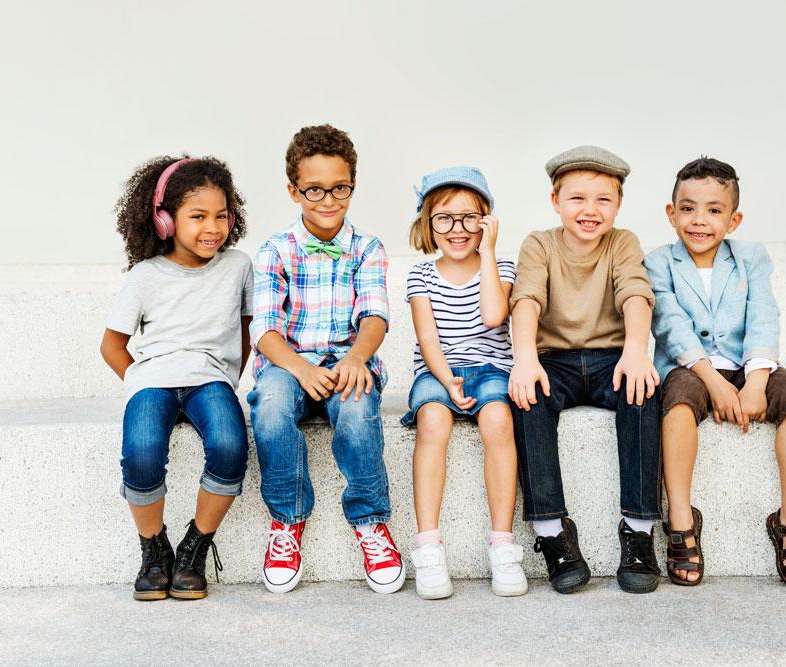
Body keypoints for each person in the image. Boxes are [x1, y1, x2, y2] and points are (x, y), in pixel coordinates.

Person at [645, 156, 786, 587]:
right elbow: (670, 325)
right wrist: (715, 383)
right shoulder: (659, 262)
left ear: (734, 219)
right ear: (671, 213)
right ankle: (682, 521)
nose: (699, 220)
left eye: (714, 210)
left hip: (747, 364)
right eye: (687, 209)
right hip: (690, 367)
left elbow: (763, 315)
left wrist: (757, 380)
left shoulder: (751, 257)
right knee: (678, 406)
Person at [248, 124, 404, 594]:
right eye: (314, 189)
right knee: (271, 407)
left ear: (352, 186)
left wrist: (357, 358)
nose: (328, 200)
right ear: (293, 190)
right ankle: (287, 520)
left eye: (340, 188)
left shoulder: (367, 247)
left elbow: (374, 315)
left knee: (356, 411)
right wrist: (300, 367)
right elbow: (265, 328)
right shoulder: (276, 249)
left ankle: (371, 520)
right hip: (290, 364)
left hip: (347, 360)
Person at [509, 145, 663, 594]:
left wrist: (637, 350)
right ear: (555, 201)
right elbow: (527, 299)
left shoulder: (623, 242)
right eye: (577, 198)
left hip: (611, 357)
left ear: (618, 205)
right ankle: (552, 533)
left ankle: (638, 531)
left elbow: (635, 292)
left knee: (643, 392)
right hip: (552, 359)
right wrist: (524, 358)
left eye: (604, 200)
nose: (590, 210)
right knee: (526, 396)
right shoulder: (539, 243)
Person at [101, 155, 252, 600]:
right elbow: (111, 345)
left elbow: (247, 332)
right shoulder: (145, 276)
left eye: (221, 215)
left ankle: (195, 547)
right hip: (153, 380)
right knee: (142, 453)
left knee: (229, 445)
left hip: (211, 380)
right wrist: (141, 382)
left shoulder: (238, 266)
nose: (213, 227)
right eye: (198, 216)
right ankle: (154, 550)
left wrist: (227, 378)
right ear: (165, 221)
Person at [402, 167, 527, 599]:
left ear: (486, 221)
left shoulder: (504, 266)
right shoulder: (421, 275)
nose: (457, 229)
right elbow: (427, 338)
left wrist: (489, 252)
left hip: (492, 370)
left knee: (497, 421)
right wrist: (446, 380)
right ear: (427, 224)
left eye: (469, 218)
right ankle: (428, 547)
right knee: (433, 423)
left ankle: (503, 546)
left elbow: (494, 316)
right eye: (444, 219)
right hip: (436, 371)